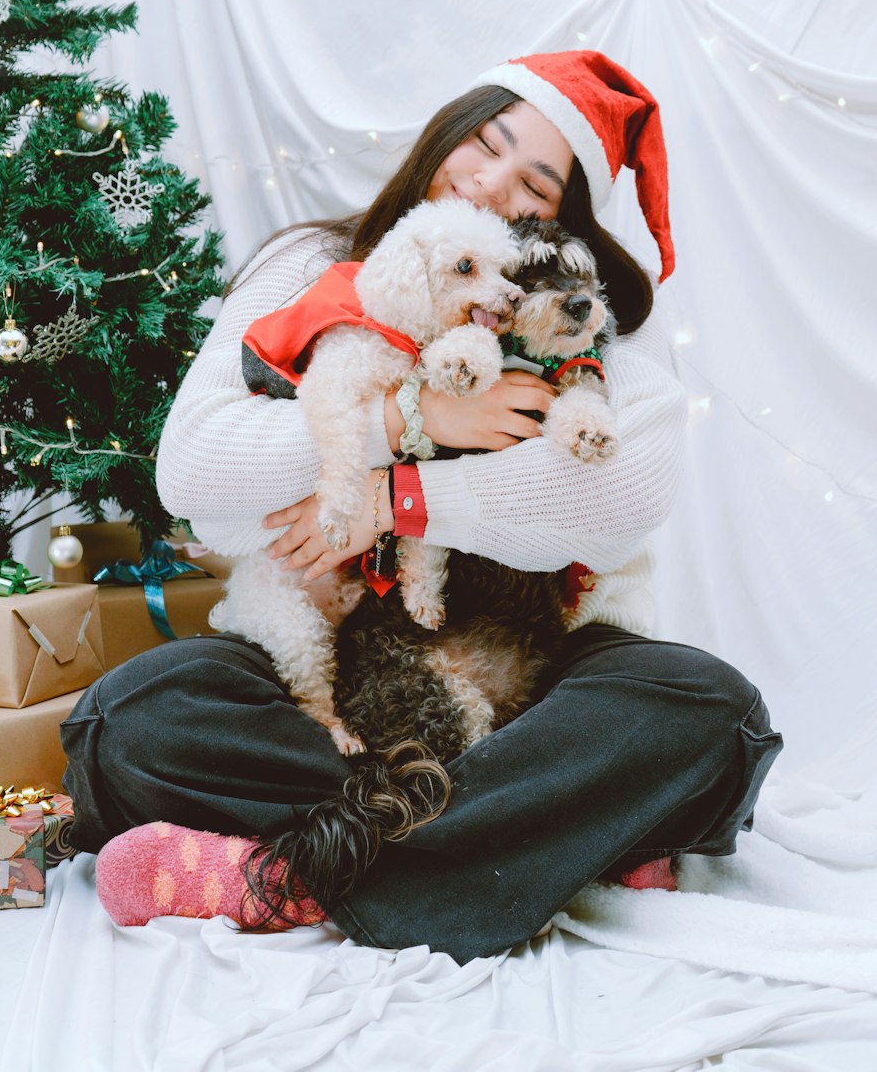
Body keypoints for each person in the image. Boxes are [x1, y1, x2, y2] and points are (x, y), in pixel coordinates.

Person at [60, 50, 783, 963]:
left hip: (530, 671)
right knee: (125, 719)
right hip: (337, 665)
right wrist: (408, 419)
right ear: (444, 134)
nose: (489, 184)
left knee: (712, 712)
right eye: (484, 145)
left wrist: (403, 499)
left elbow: (626, 495)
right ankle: (542, 842)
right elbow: (195, 476)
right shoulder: (312, 267)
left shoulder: (560, 310)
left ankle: (293, 875)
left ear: (563, 226)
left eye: (535, 185)